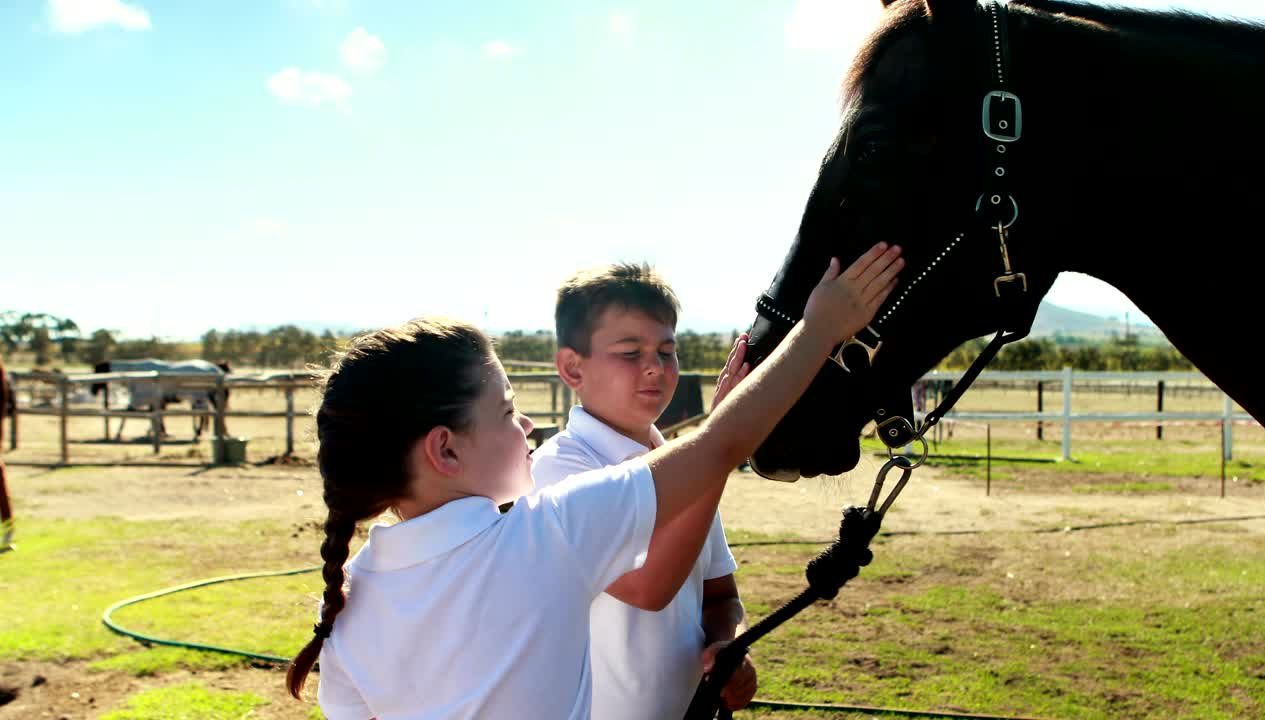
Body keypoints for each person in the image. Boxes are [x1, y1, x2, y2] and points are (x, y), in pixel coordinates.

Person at [285, 244, 903, 719]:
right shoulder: (546, 533)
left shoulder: (344, 603)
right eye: (505, 410)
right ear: (445, 449)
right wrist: (820, 329)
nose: (526, 422)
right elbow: (721, 446)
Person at [532, 262, 755, 717]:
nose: (654, 367)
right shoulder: (557, 469)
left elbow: (720, 596)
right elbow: (646, 589)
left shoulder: (687, 460)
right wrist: (718, 449)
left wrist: (727, 648)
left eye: (667, 351)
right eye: (631, 353)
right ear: (572, 368)